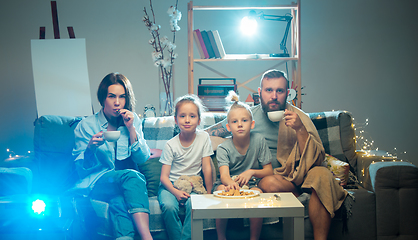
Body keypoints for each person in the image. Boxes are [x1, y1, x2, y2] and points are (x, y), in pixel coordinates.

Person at [206, 69, 347, 240]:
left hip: (301, 176)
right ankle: (295, 194)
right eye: (269, 90)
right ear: (260, 93)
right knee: (270, 183)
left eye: (279, 91)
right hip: (272, 179)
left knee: (323, 174)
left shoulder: (298, 117)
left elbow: (316, 159)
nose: (274, 96)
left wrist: (300, 129)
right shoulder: (248, 116)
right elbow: (209, 133)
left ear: (287, 94)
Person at [72, 72, 153, 240]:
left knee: (119, 202)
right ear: (103, 99)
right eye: (112, 96)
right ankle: (147, 237)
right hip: (98, 182)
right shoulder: (86, 125)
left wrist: (131, 129)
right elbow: (79, 169)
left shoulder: (132, 120)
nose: (117, 102)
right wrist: (90, 149)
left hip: (124, 186)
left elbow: (142, 158)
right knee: (132, 175)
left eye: (122, 97)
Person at [213, 91, 273, 240]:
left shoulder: (259, 140)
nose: (239, 124)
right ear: (228, 127)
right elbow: (224, 176)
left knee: (257, 194)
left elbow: (269, 171)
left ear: (252, 124)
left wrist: (251, 172)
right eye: (234, 122)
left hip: (252, 183)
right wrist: (232, 184)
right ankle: (221, 237)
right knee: (221, 191)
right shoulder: (223, 148)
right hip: (229, 183)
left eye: (244, 120)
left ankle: (254, 238)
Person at [158, 94, 213, 240]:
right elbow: (163, 177)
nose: (187, 120)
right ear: (176, 120)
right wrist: (175, 192)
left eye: (192, 116)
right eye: (182, 116)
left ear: (199, 119)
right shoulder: (170, 144)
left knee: (194, 206)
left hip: (194, 186)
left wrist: (208, 192)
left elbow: (207, 167)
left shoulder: (204, 138)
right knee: (169, 207)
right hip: (170, 186)